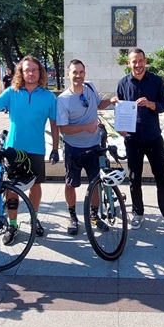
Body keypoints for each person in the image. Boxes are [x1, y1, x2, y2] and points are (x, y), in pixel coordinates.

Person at [0, 55, 59, 243]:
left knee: (35, 186)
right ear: (21, 72)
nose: (31, 73)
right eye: (27, 70)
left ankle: (34, 218)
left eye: (34, 70)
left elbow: (54, 124)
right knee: (12, 189)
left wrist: (55, 149)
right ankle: (13, 224)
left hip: (36, 149)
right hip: (14, 149)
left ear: (40, 72)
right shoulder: (12, 92)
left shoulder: (48, 96)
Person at [112, 48, 164, 233]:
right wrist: (120, 125)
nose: (138, 65)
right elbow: (120, 109)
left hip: (153, 136)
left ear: (145, 61)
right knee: (134, 178)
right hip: (133, 139)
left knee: (161, 177)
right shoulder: (123, 83)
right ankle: (138, 213)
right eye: (134, 61)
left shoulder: (156, 81)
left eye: (140, 61)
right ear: (128, 63)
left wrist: (151, 104)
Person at [56, 59, 112, 235]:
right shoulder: (63, 100)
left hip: (94, 146)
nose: (78, 75)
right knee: (71, 184)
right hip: (74, 149)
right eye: (75, 72)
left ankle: (94, 215)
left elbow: (99, 104)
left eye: (81, 72)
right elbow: (63, 128)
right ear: (68, 74)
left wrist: (111, 100)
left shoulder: (90, 87)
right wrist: (84, 127)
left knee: (95, 183)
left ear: (85, 73)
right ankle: (73, 217)